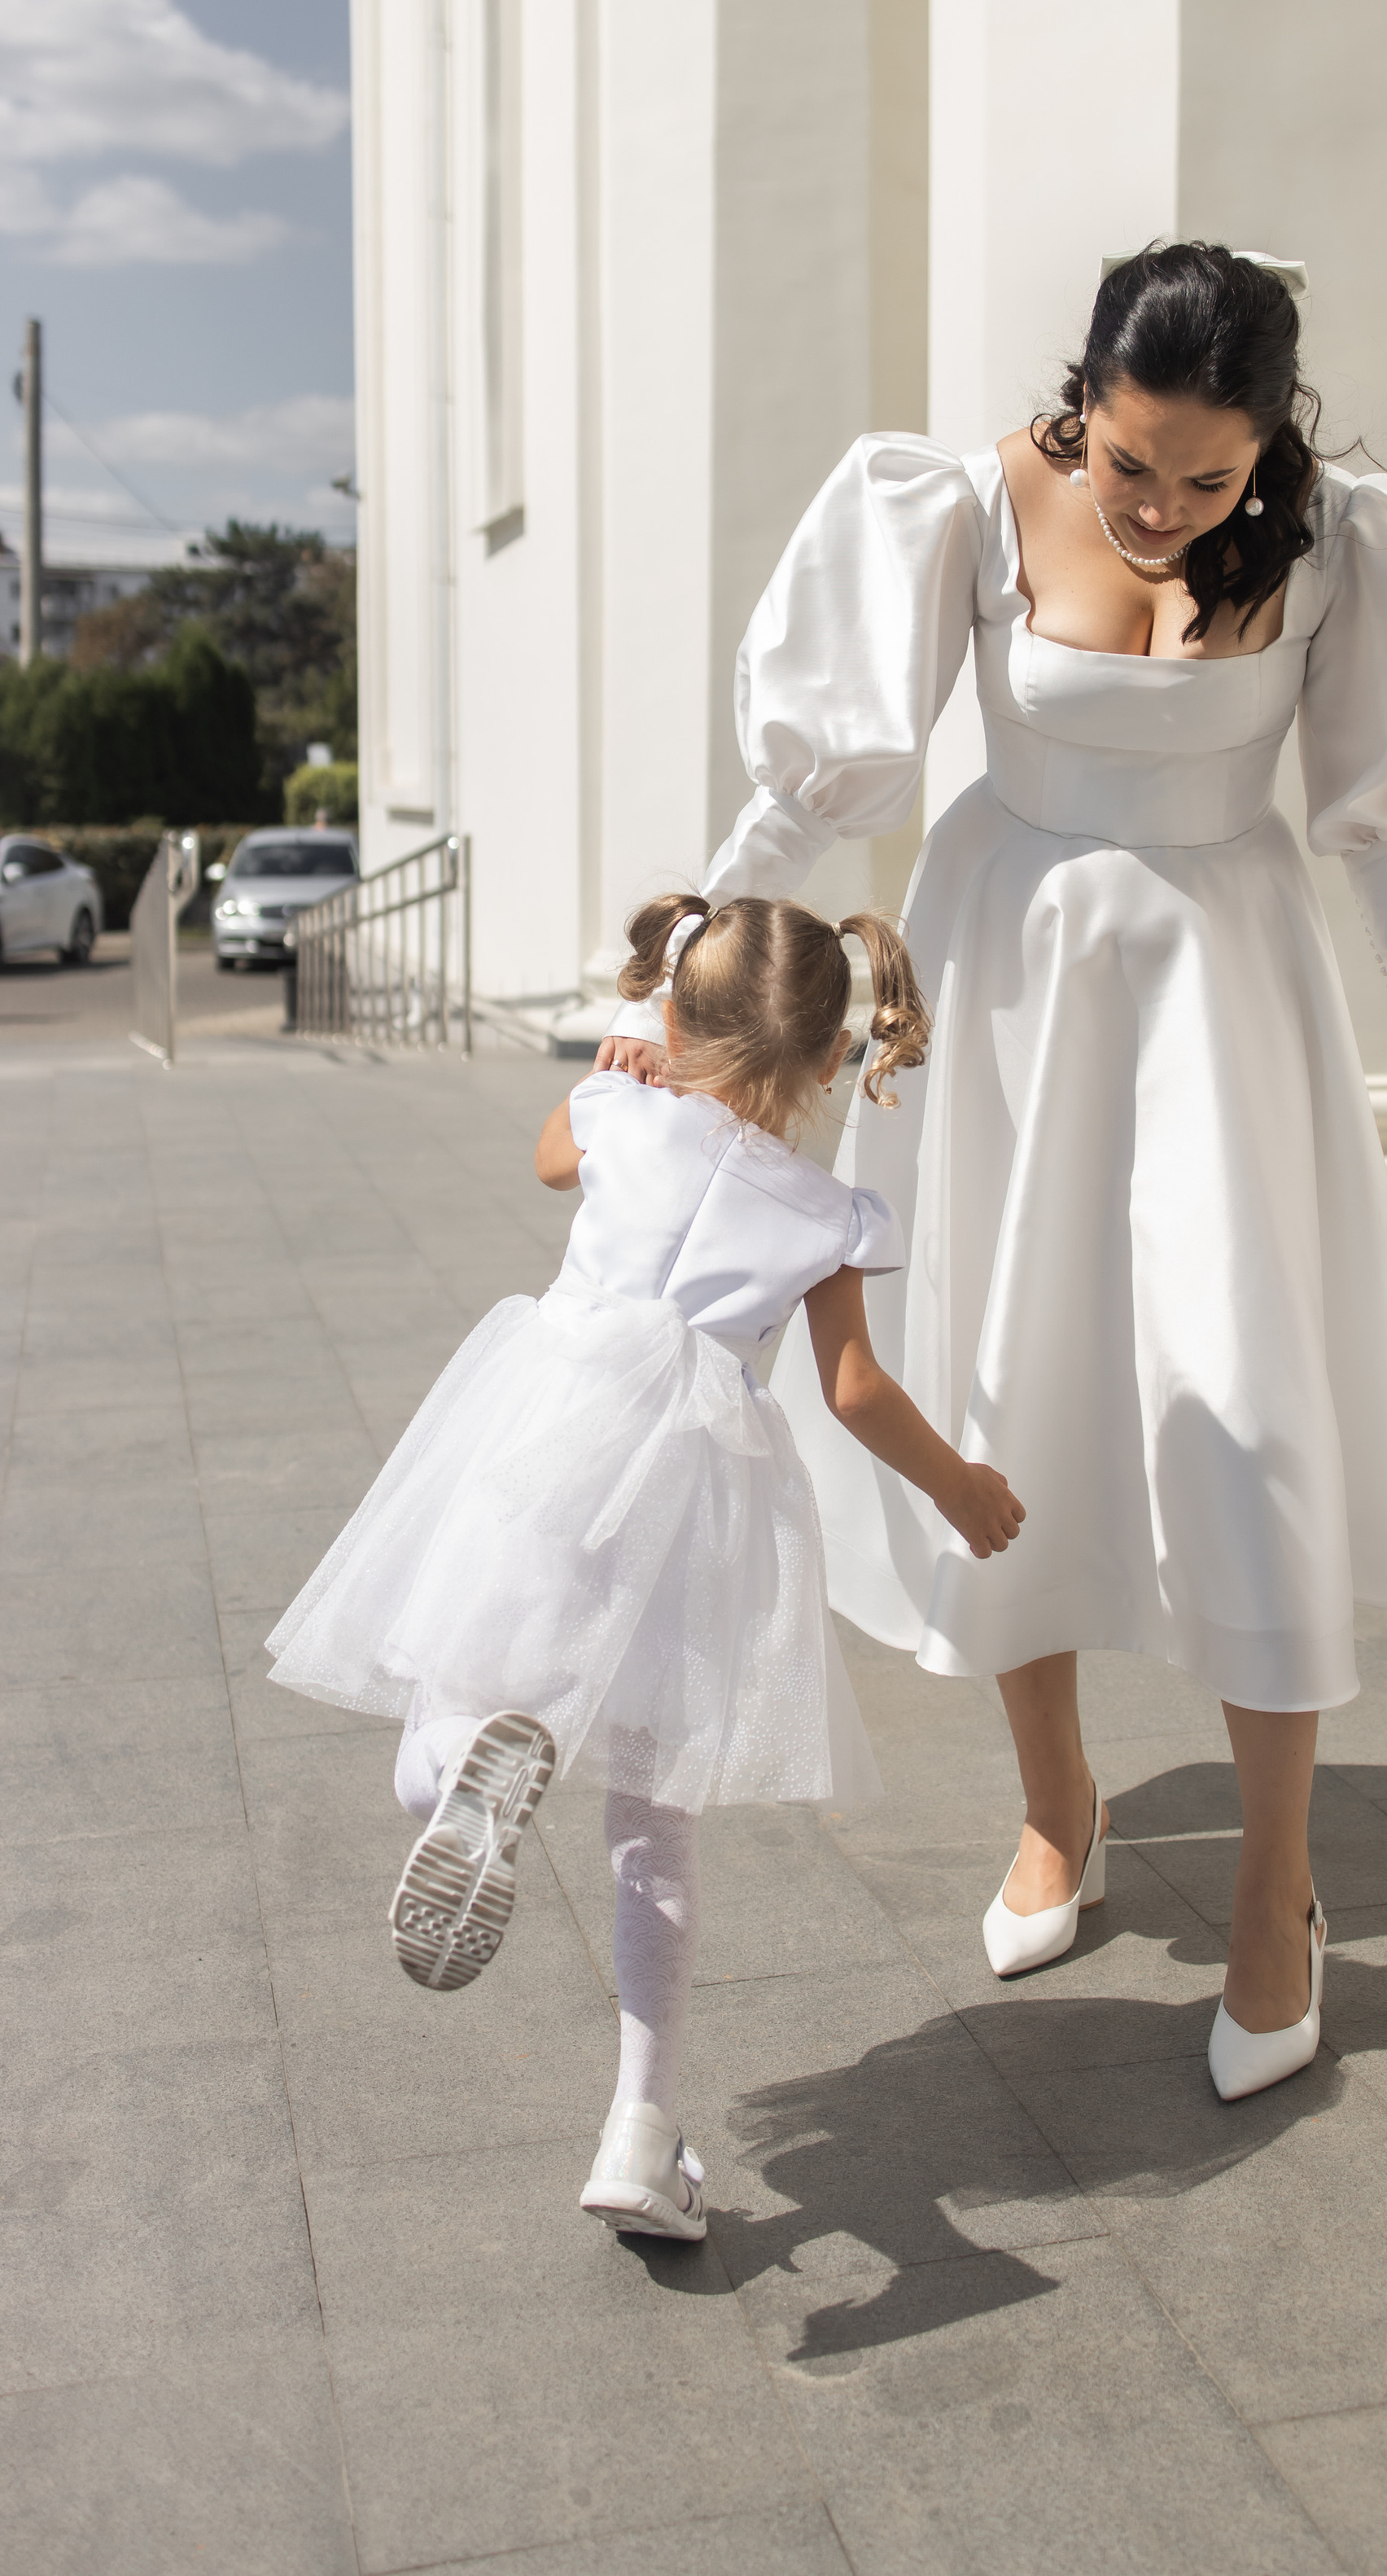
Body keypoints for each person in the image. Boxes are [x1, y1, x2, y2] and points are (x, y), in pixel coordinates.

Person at [597, 242, 1387, 2102]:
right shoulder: (961, 499)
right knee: (999, 1389)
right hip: (1002, 975)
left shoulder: (1344, 544)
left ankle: (1275, 1891)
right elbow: (819, 789)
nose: (1156, 509)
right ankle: (1056, 1806)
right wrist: (679, 984)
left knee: (1245, 1404)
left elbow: (1385, 837)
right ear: (1084, 400)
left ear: (1269, 441)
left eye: (1206, 481)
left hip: (1224, 984)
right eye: (1130, 466)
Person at [266, 894, 1024, 2236]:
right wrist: (960, 1489)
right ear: (830, 1061)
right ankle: (637, 2131)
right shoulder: (828, 1211)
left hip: (545, 1448)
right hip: (687, 1514)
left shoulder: (621, 1110)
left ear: (678, 1012)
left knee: (447, 1697)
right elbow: (853, 1393)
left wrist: (619, 1051)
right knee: (652, 1828)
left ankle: (461, 1777)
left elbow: (550, 1159)